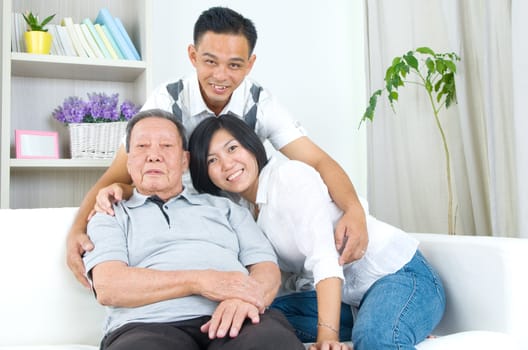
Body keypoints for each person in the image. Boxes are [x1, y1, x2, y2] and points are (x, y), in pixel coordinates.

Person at [67, 6, 368, 288]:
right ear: (193, 55)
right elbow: (120, 174)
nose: (221, 76)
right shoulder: (167, 101)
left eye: (235, 65)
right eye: (210, 61)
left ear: (250, 65)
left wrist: (354, 209)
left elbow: (317, 161)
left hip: (240, 224)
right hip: (185, 214)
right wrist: (76, 230)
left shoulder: (259, 102)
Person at [187, 115, 446, 350]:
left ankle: (389, 327)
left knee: (376, 339)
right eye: (212, 160)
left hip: (397, 275)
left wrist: (327, 338)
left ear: (251, 146)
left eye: (232, 148)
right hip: (352, 302)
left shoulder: (289, 177)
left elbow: (324, 258)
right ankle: (393, 323)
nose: (227, 163)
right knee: (261, 321)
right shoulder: (244, 211)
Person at [83, 109, 304, 350]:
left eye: (166, 146)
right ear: (128, 161)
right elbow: (109, 287)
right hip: (146, 326)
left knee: (272, 342)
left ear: (184, 160)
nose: (153, 156)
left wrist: (250, 298)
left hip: (238, 320)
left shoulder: (227, 209)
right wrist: (200, 281)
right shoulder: (110, 213)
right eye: (142, 146)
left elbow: (266, 268)